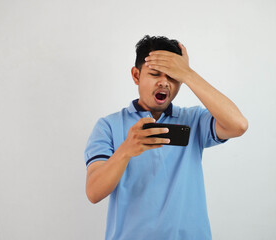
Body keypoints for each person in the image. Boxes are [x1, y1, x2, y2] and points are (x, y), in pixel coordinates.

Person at [84, 35, 248, 240]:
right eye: (154, 74)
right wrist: (126, 150)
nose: (164, 82)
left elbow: (238, 125)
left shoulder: (194, 120)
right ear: (136, 75)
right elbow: (93, 192)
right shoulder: (108, 126)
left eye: (173, 76)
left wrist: (188, 74)